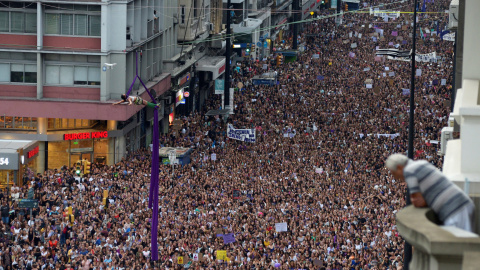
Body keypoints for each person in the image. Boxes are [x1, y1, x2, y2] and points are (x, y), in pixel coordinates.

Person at [385, 153, 475, 232]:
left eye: (394, 173)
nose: (396, 178)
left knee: (459, 246)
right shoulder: (422, 163)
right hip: (462, 203)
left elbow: (417, 201)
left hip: (454, 210)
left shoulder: (409, 171)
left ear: (399, 167)